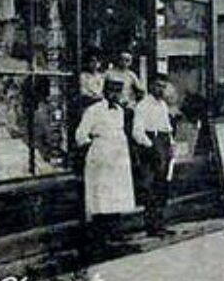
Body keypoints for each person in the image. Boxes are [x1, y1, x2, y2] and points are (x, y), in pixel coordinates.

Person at [75, 79, 137, 256]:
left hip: (118, 159)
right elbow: (80, 134)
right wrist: (96, 147)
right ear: (105, 91)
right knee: (101, 197)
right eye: (112, 91)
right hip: (101, 158)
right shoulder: (94, 110)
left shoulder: (120, 111)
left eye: (118, 92)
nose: (115, 95)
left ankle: (114, 234)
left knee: (116, 196)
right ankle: (99, 238)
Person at [132, 76, 175, 236]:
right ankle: (151, 225)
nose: (161, 90)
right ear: (151, 86)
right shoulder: (143, 105)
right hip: (151, 143)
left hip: (164, 142)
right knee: (151, 186)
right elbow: (137, 131)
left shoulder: (163, 105)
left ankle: (160, 222)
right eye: (158, 86)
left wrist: (171, 144)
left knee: (162, 185)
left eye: (163, 86)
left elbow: (167, 127)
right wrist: (150, 146)